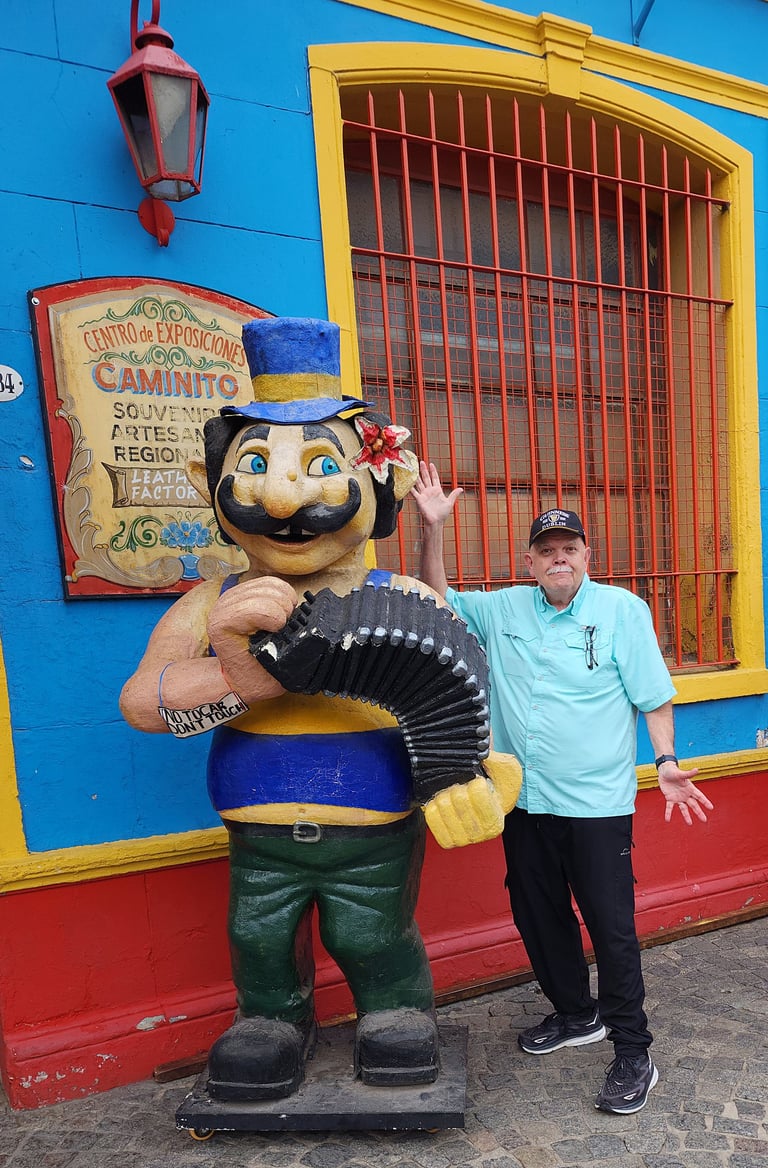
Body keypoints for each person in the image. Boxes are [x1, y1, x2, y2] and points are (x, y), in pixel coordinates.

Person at [120, 319, 519, 1104]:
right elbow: (143, 702)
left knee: (374, 934)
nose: (283, 497)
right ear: (219, 487)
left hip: (374, 829)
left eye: (323, 467)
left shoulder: (390, 597)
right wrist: (243, 661)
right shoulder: (216, 603)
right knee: (258, 935)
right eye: (257, 466)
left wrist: (466, 775)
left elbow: (452, 673)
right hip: (257, 830)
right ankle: (271, 1019)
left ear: (379, 485)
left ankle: (396, 1011)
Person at [411, 460, 714, 1115]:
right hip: (523, 802)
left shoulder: (620, 612)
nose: (558, 559)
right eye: (546, 551)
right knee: (537, 916)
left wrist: (665, 762)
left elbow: (653, 698)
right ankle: (578, 1015)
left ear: (586, 556)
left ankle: (634, 1052)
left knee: (612, 928)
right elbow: (437, 601)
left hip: (596, 807)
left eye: (569, 549)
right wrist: (430, 529)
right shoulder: (502, 609)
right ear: (528, 562)